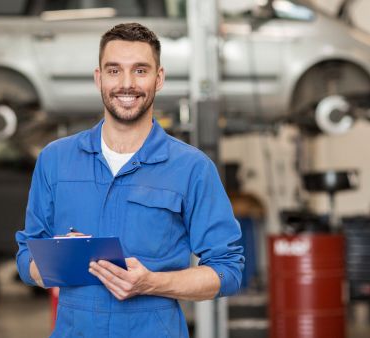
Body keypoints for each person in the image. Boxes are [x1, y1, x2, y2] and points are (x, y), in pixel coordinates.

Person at [16, 22, 244, 337]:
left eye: (140, 71)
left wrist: (153, 282)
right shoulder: (55, 160)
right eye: (113, 71)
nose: (126, 84)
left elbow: (228, 270)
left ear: (159, 78)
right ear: (98, 78)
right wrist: (60, 260)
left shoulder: (192, 168)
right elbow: (27, 256)